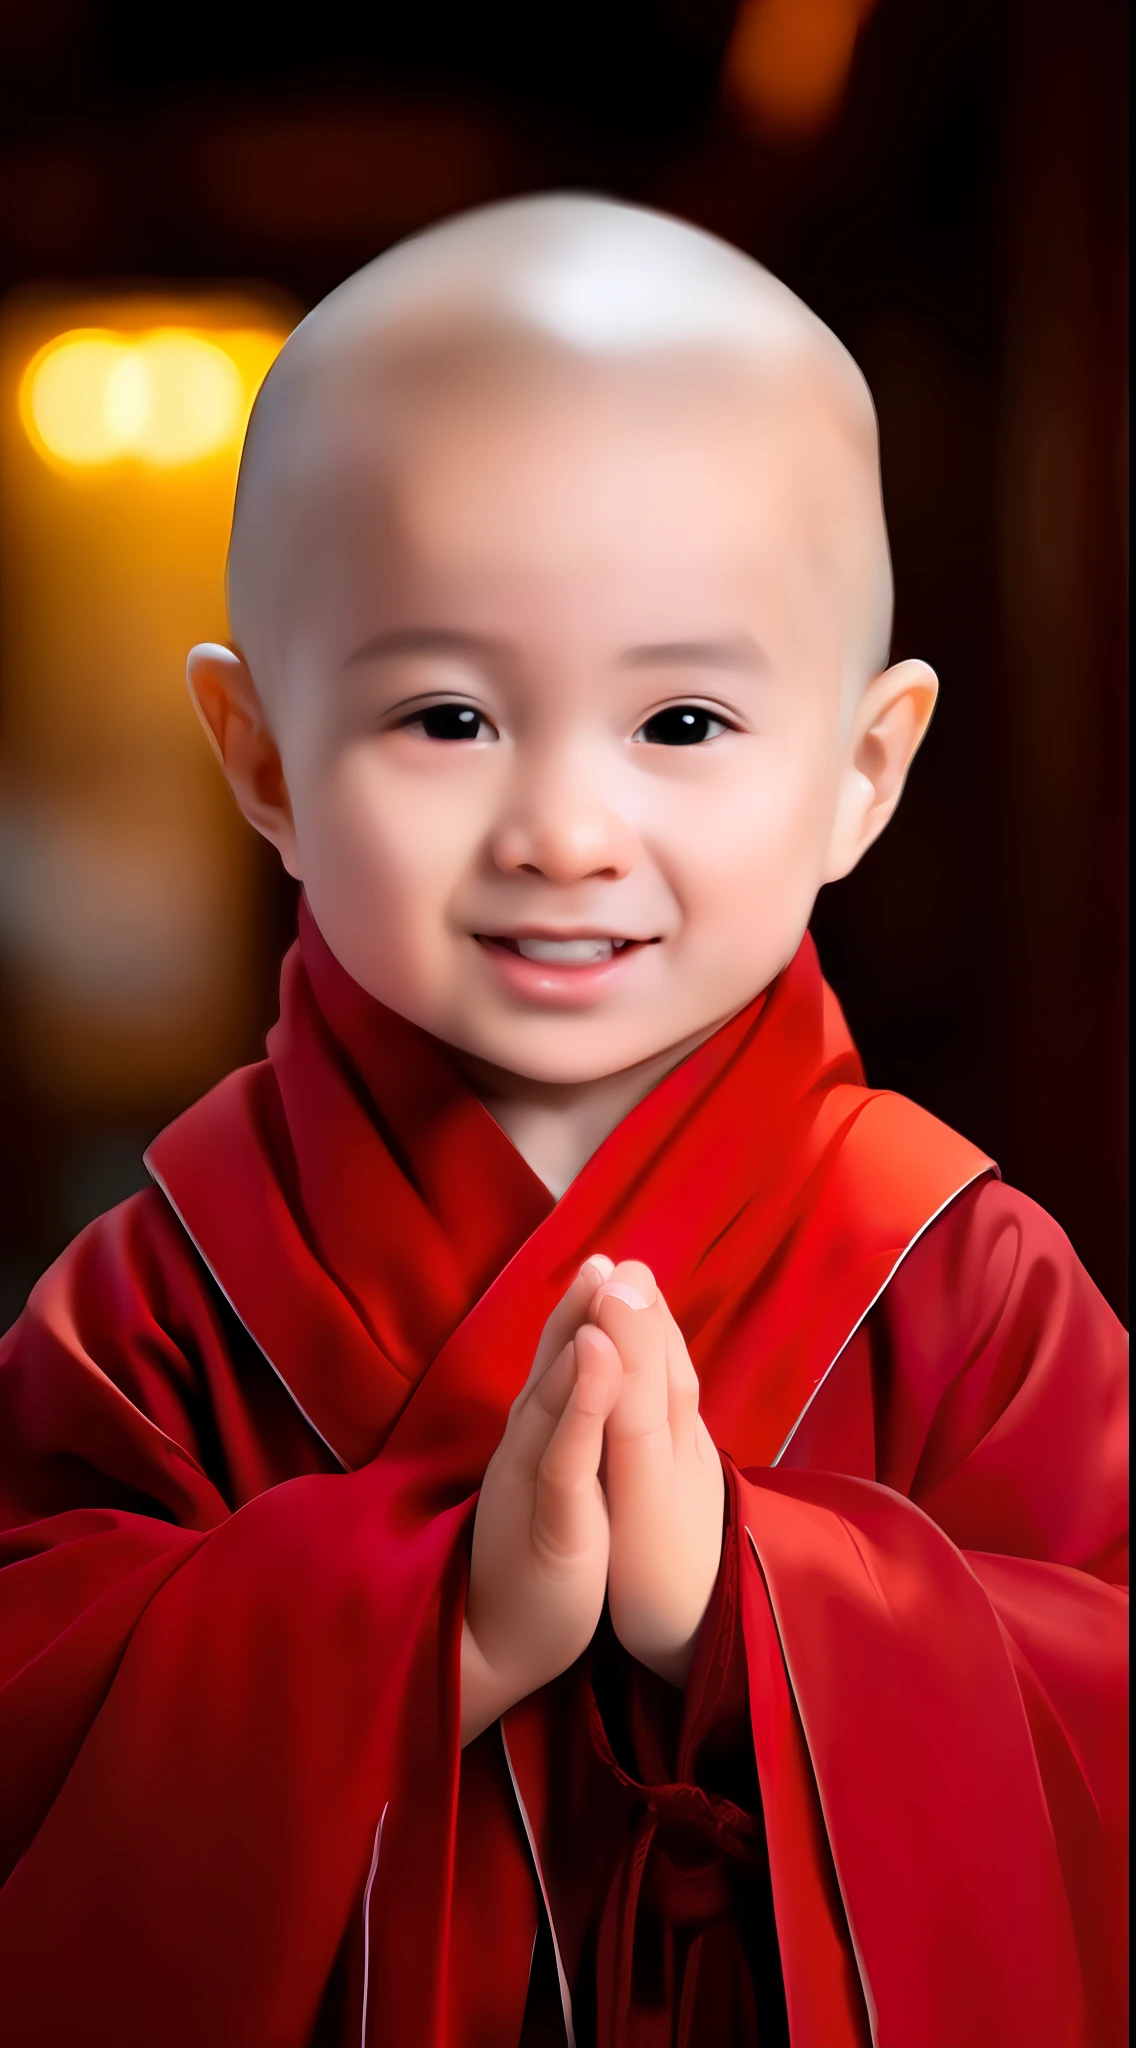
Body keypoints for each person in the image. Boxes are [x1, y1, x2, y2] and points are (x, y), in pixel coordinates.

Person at [0, 195, 1126, 2048]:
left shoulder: (965, 1282)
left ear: (866, 770)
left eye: (680, 722)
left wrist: (751, 1611)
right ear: (261, 759)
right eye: (446, 716)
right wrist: (430, 1624)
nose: (563, 831)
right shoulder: (155, 1301)